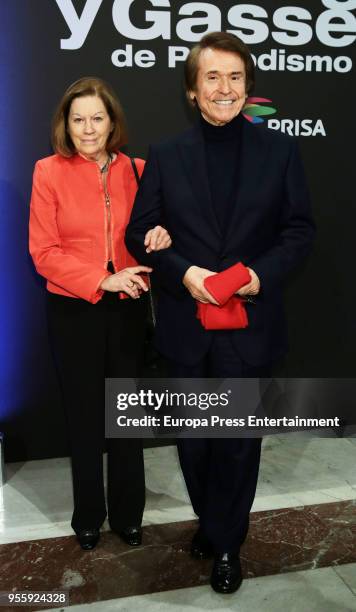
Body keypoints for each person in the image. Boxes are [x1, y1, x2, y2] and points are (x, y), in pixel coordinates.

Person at [125, 32, 315, 594]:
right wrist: (184, 271)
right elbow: (141, 232)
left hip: (250, 326)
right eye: (212, 77)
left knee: (236, 441)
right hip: (189, 325)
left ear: (248, 86)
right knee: (194, 440)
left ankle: (228, 543)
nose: (224, 88)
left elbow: (299, 231)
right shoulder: (166, 155)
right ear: (192, 91)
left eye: (234, 77)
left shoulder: (280, 151)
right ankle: (214, 521)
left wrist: (258, 276)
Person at [29, 77, 171, 551]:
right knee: (85, 416)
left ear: (113, 122)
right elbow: (43, 252)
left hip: (128, 309)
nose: (88, 129)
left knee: (124, 418)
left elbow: (163, 229)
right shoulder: (47, 172)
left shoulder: (140, 170)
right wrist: (100, 278)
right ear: (64, 125)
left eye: (97, 118)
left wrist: (162, 236)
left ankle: (129, 514)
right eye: (78, 119)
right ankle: (88, 514)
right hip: (73, 309)